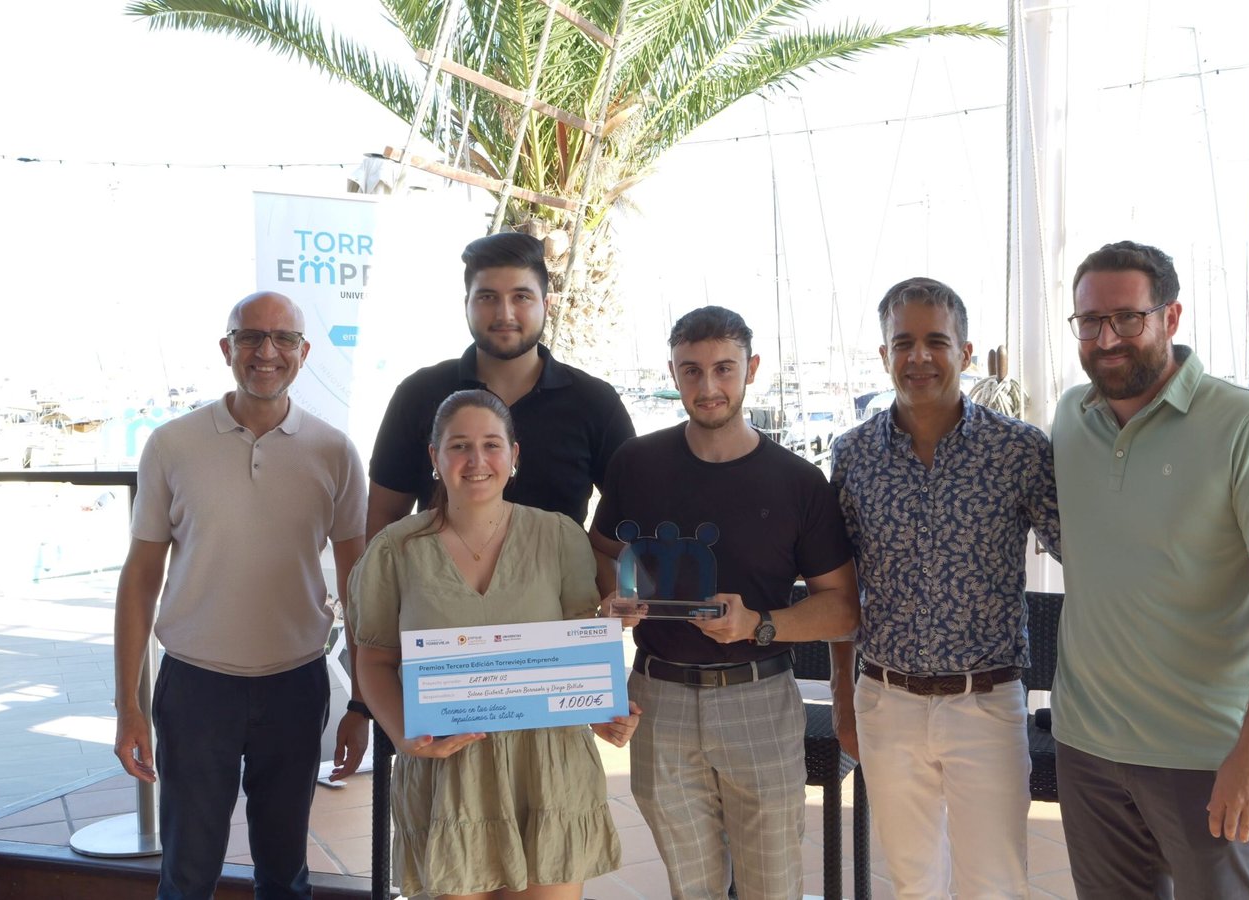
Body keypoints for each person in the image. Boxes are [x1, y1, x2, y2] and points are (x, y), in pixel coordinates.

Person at [1051, 241, 1249, 899]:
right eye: (1089, 321)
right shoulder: (1071, 416)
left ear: (1170, 317)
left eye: (1127, 318)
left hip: (1207, 752)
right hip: (1086, 744)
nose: (1106, 338)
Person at [589, 306, 860, 900]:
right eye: (691, 370)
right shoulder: (635, 463)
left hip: (759, 697)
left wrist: (759, 624)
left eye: (723, 369)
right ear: (673, 373)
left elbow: (842, 607)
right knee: (692, 888)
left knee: (773, 886)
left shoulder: (797, 482)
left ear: (751, 369)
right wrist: (614, 599)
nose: (708, 386)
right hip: (657, 697)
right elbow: (600, 551)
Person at [112, 291, 370, 900]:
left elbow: (360, 584)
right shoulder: (172, 445)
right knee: (187, 872)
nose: (266, 351)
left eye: (283, 339)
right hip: (196, 687)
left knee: (284, 873)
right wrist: (128, 705)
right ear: (227, 348)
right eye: (250, 336)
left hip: (295, 684)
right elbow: (141, 576)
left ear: (304, 352)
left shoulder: (334, 451)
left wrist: (361, 702)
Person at [349, 389, 640, 899]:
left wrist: (601, 709)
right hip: (448, 774)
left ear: (514, 455)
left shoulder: (558, 536)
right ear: (435, 457)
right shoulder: (396, 549)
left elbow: (575, 652)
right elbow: (373, 659)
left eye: (491, 445)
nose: (477, 460)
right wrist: (403, 735)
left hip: (548, 769)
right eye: (459, 446)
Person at [828, 277, 1061, 899]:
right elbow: (840, 588)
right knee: (912, 884)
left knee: (995, 883)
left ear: (965, 351)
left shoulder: (1019, 451)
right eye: (903, 343)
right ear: (885, 354)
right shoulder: (853, 455)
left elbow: (1084, 555)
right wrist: (844, 700)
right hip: (886, 701)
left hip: (986, 703)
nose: (919, 357)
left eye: (936, 341)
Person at [366, 230, 633, 538]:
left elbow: (632, 509)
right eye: (487, 297)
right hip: (435, 571)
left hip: (561, 571)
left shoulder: (595, 402)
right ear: (467, 304)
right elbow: (385, 516)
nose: (504, 314)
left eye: (521, 297)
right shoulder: (419, 394)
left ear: (546, 305)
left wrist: (596, 560)